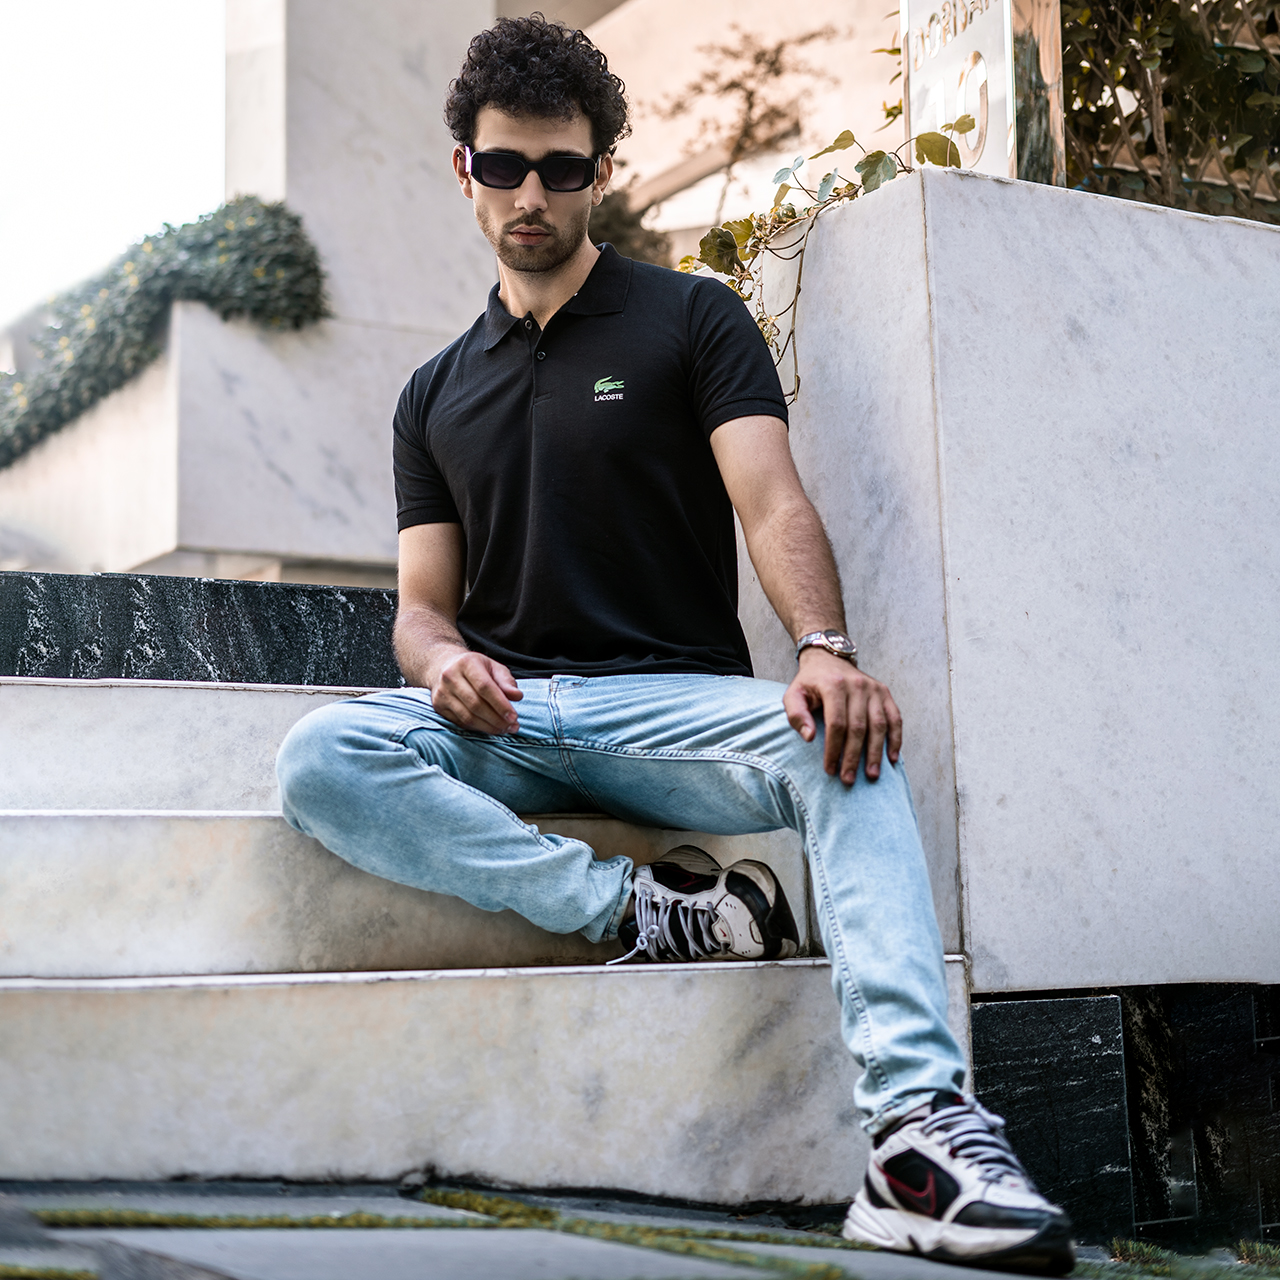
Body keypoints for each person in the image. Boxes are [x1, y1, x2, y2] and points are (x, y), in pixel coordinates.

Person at [276, 15, 1075, 1273]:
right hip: (506, 719)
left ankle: (915, 1133)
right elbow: (420, 608)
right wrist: (440, 665)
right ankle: (646, 910)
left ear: (602, 172)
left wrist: (820, 645)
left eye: (561, 167)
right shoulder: (430, 393)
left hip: (665, 709)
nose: (530, 195)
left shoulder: (691, 319)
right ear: (464, 169)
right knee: (321, 755)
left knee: (841, 741)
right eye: (504, 166)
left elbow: (771, 501)